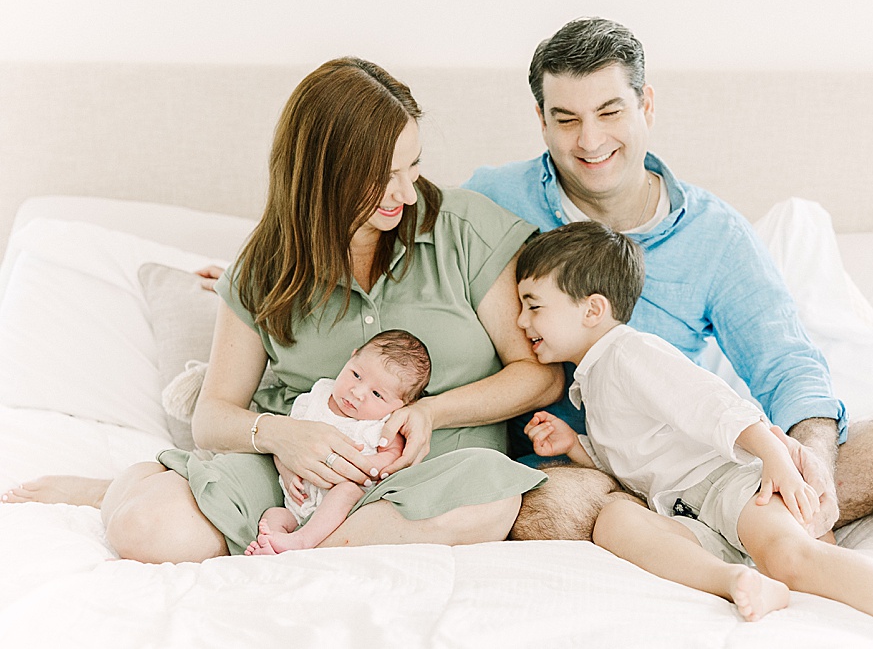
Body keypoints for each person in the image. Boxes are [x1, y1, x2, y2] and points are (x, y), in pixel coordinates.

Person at [463, 17, 873, 620]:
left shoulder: (715, 236)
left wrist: (810, 464)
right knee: (558, 506)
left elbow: (786, 363)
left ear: (646, 106)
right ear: (541, 121)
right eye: (566, 119)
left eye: (610, 112)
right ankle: (728, 572)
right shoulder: (489, 201)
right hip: (592, 473)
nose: (590, 140)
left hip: (708, 463)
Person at [2, 56, 563, 563]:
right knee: (146, 529)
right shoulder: (265, 268)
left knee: (491, 502)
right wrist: (283, 437)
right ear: (323, 174)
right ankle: (126, 490)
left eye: (411, 167)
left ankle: (298, 548)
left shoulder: (464, 229)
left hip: (434, 477)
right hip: (289, 481)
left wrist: (431, 414)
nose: (407, 193)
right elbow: (213, 414)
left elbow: (540, 375)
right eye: (382, 177)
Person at [514, 221, 873, 639]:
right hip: (684, 510)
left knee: (791, 556)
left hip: (729, 483)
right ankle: (736, 579)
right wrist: (575, 446)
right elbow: (633, 459)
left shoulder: (630, 354)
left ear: (593, 309)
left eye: (533, 306)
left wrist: (774, 458)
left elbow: (714, 405)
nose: (520, 321)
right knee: (614, 520)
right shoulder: (591, 382)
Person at [245, 329, 430, 556]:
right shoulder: (316, 398)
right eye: (356, 375)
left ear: (400, 405)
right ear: (351, 357)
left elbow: (393, 457)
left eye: (377, 394)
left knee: (347, 491)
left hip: (344, 512)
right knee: (273, 516)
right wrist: (287, 472)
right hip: (300, 506)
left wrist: (368, 465)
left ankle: (302, 540)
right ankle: (274, 547)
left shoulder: (382, 424)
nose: (358, 392)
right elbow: (283, 444)